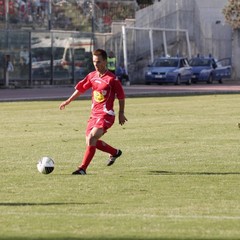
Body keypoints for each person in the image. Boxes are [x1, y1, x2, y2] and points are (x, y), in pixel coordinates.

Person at [59, 49, 127, 175]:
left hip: (106, 114)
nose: (96, 64)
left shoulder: (112, 79)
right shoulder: (92, 76)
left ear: (105, 62)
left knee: (91, 138)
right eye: (94, 62)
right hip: (94, 114)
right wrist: (68, 101)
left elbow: (121, 96)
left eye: (99, 62)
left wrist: (121, 112)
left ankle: (82, 168)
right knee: (90, 141)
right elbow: (80, 89)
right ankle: (115, 152)